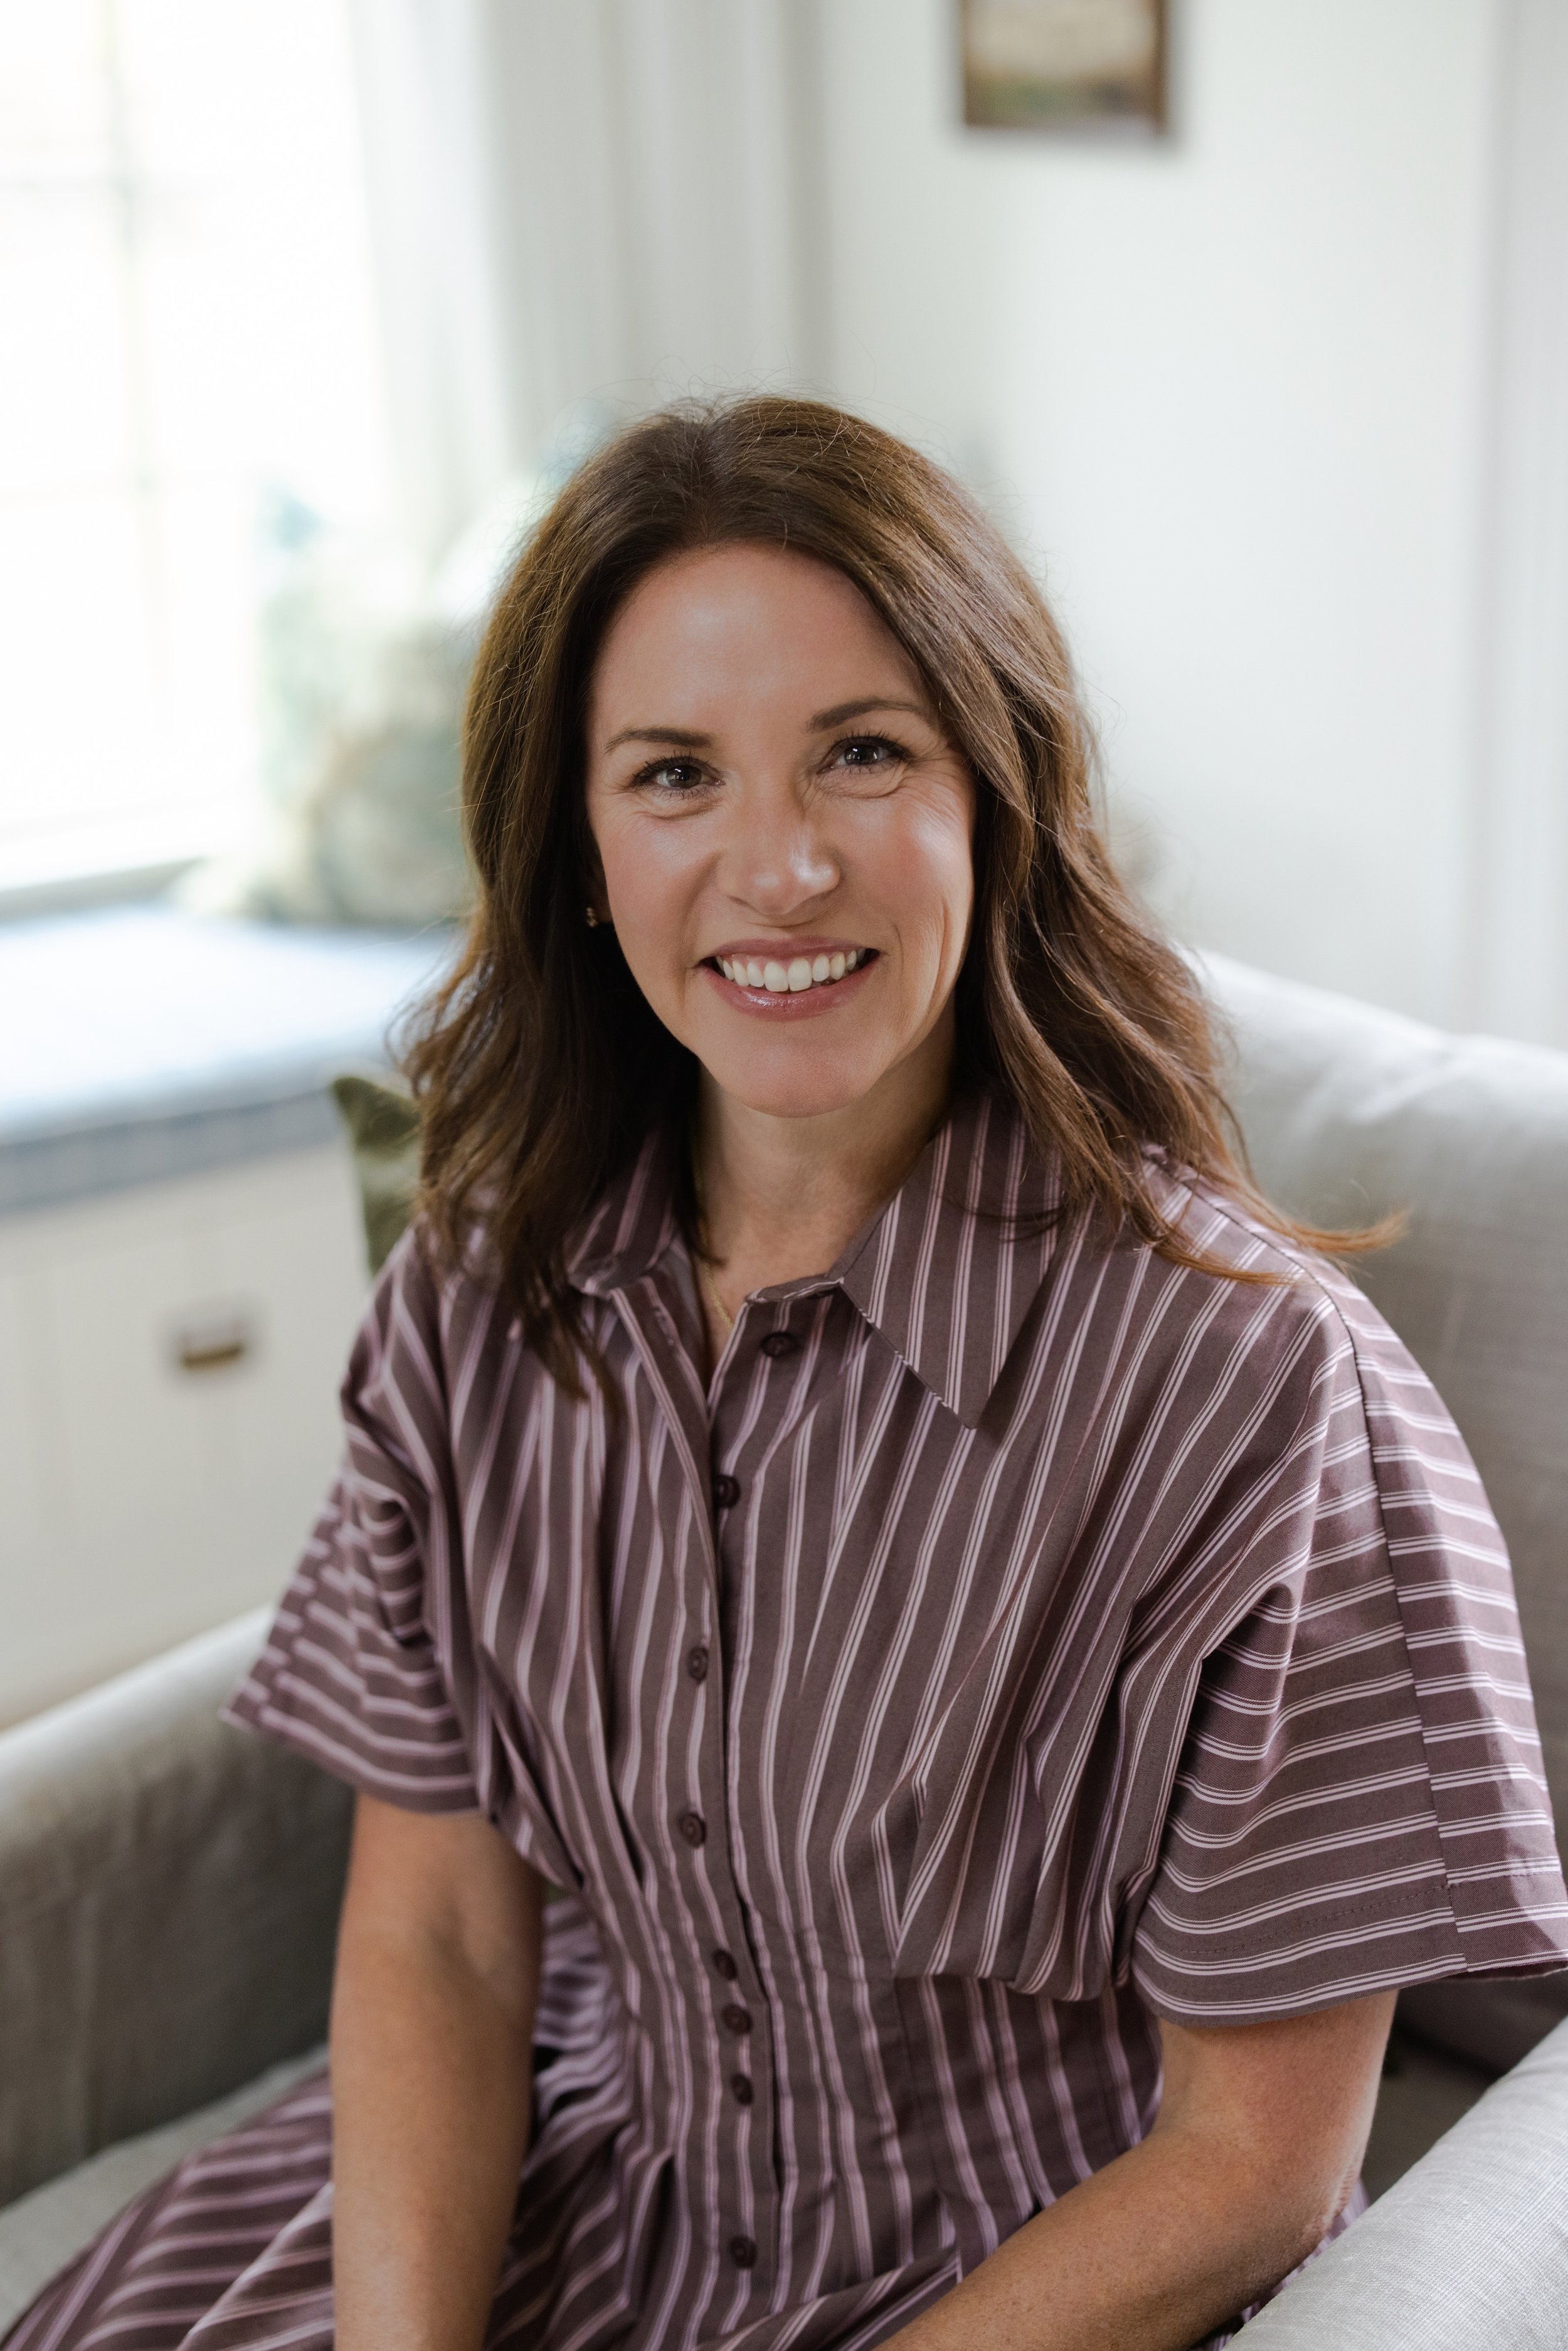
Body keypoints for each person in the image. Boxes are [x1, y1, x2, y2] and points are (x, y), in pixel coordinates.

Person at [12, 397, 1566, 2351]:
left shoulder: (1254, 1393)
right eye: (674, 773)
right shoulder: (480, 1291)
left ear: (992, 802)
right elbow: (440, 1932)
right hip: (594, 2203)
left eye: (860, 753)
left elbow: (1247, 2161)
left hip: (1021, 2292)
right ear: (578, 848)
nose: (779, 865)